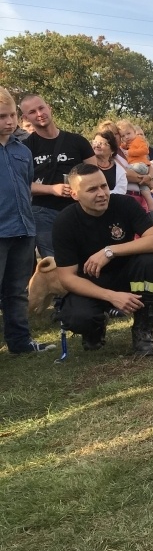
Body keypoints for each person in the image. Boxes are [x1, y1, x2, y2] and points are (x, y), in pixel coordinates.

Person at [52, 163, 153, 356]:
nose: (102, 193)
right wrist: (111, 296)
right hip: (91, 284)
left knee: (148, 261)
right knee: (78, 317)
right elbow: (67, 278)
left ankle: (143, 332)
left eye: (104, 186)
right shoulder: (65, 222)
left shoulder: (125, 204)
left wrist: (110, 251)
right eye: (92, 189)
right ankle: (95, 329)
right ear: (74, 194)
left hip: (127, 275)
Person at [0, 86, 55, 354]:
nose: (9, 121)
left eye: (11, 115)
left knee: (17, 290)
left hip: (23, 228)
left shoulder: (22, 150)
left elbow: (26, 186)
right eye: (2, 116)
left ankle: (20, 343)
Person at [21, 94, 96, 257]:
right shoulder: (24, 148)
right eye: (32, 112)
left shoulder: (78, 141)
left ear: (49, 108)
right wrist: (52, 189)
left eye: (41, 108)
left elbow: (95, 175)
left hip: (79, 209)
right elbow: (21, 184)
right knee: (57, 263)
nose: (39, 113)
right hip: (43, 212)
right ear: (25, 118)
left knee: (86, 258)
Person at [91, 130, 127, 195]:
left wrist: (102, 194)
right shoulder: (86, 165)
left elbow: (121, 192)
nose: (97, 146)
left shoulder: (119, 171)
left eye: (101, 143)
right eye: (95, 142)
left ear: (112, 150)